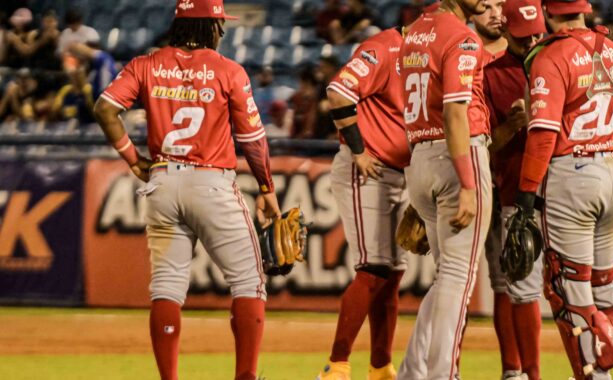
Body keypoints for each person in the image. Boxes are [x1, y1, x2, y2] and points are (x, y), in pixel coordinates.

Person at [92, 1, 280, 379]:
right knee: (248, 280)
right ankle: (246, 376)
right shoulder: (229, 71)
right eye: (219, 25)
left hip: (162, 181)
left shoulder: (145, 64)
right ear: (210, 27)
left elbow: (104, 109)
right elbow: (253, 140)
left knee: (167, 286)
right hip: (211, 182)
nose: (221, 31)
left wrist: (132, 159)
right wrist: (266, 187)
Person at [517, 1, 613, 379]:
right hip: (611, 167)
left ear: (548, 12)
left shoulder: (551, 55)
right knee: (606, 284)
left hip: (571, 174)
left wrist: (526, 193)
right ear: (585, 8)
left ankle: (595, 375)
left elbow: (544, 133)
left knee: (570, 289)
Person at [398, 0, 492, 378]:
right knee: (458, 280)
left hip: (420, 154)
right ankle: (442, 375)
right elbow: (455, 112)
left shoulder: (413, 33)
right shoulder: (463, 36)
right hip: (457, 155)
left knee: (445, 280)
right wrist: (468, 182)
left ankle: (412, 372)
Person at [315, 25, 411, 380]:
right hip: (369, 168)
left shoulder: (428, 56)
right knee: (372, 267)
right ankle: (337, 366)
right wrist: (358, 149)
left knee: (392, 273)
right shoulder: (383, 47)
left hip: (402, 172)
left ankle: (381, 366)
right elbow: (338, 91)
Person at [476, 0, 544, 379]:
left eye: (537, 33)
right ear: (507, 33)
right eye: (523, 37)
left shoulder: (557, 58)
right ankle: (513, 371)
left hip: (560, 189)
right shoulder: (490, 75)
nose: (532, 41)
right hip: (511, 190)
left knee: (569, 286)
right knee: (510, 283)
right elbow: (482, 146)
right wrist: (512, 126)